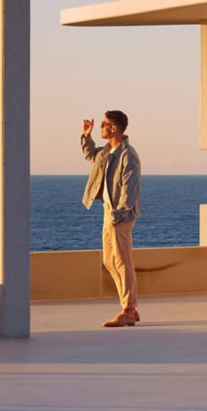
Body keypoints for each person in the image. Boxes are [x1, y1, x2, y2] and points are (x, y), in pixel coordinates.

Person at [81, 110, 141, 327]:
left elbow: (129, 191)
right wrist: (86, 137)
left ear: (113, 128)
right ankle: (131, 307)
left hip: (120, 215)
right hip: (108, 212)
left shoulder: (128, 156)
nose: (101, 127)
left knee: (122, 262)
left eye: (104, 124)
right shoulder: (107, 151)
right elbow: (90, 156)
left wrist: (119, 214)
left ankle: (127, 310)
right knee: (109, 260)